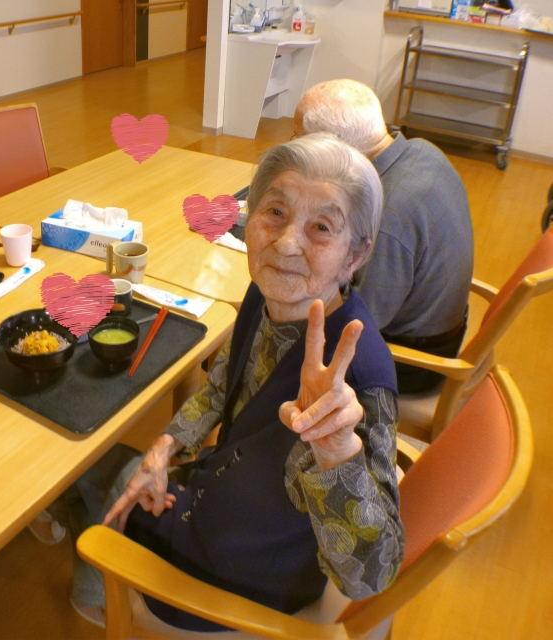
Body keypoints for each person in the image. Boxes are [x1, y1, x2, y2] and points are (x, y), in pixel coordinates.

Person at [63, 133, 404, 632]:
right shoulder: (266, 293)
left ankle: (95, 593)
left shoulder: (358, 376)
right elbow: (220, 387)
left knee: (76, 463)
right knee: (98, 462)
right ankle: (94, 577)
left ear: (355, 255)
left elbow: (373, 575)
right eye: (276, 213)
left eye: (321, 227)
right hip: (221, 500)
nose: (286, 243)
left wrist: (337, 454)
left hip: (235, 576)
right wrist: (163, 448)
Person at [294, 79, 474, 393]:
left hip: (413, 362)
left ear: (336, 147)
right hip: (437, 324)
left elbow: (359, 323)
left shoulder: (387, 218)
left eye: (298, 139)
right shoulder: (423, 150)